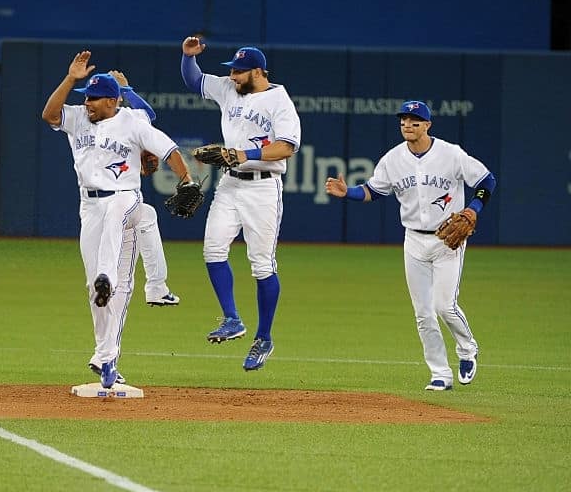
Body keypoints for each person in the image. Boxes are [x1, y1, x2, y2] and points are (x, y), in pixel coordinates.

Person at [42, 52, 195, 389]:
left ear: (113, 101)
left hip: (124, 196)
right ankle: (106, 356)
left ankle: (137, 282)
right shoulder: (79, 119)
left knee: (124, 218)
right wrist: (71, 80)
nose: (88, 104)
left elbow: (169, 149)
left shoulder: (132, 120)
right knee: (98, 288)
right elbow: (49, 114)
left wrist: (187, 181)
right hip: (89, 205)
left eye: (94, 99)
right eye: (87, 98)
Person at [325, 100, 495, 391]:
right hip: (413, 240)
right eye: (404, 120)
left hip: (447, 241)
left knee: (444, 306)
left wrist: (473, 209)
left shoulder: (450, 154)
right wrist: (347, 192)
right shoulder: (392, 159)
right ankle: (440, 373)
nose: (408, 124)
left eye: (415, 120)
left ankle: (467, 349)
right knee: (423, 313)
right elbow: (373, 191)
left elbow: (486, 180)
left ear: (427, 125)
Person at [180, 38, 301, 372]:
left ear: (258, 72)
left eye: (239, 71)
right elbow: (194, 80)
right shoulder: (229, 89)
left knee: (261, 265)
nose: (233, 76)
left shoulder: (279, 100)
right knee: (213, 250)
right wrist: (188, 57)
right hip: (230, 183)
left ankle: (264, 338)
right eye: (231, 71)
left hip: (263, 189)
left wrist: (242, 154)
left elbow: (286, 147)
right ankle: (232, 319)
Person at [108, 69, 180, 308]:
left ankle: (156, 288)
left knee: (146, 216)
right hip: (118, 200)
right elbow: (148, 112)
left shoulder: (85, 120)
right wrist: (126, 89)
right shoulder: (129, 119)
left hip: (96, 199)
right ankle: (154, 288)